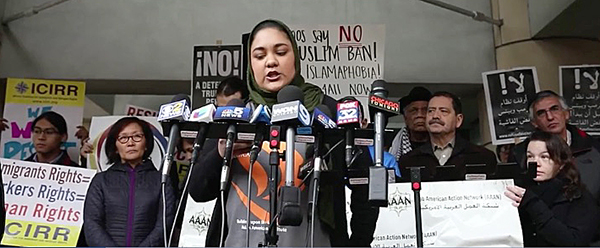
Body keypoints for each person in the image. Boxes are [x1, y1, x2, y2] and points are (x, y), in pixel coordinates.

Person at [188, 19, 376, 247]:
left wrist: (358, 243)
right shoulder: (234, 117)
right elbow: (198, 191)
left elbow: (365, 186)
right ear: (250, 65)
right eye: (259, 56)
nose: (271, 62)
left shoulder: (329, 112)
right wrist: (220, 154)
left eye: (281, 52)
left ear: (295, 57)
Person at [83, 117, 175, 247]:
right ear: (115, 146)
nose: (130, 143)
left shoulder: (162, 180)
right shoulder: (101, 180)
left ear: (147, 143)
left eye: (137, 136)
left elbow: (165, 224)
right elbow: (92, 223)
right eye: (123, 138)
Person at [505, 131, 599, 246]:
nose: (535, 162)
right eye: (530, 156)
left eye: (544, 156)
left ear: (561, 163)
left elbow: (573, 242)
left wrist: (533, 204)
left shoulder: (578, 197)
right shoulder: (518, 192)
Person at [511, 90, 600, 201]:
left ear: (566, 113)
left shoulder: (593, 147)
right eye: (541, 113)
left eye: (554, 109)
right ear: (534, 122)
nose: (550, 117)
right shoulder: (520, 153)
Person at [398, 91, 497, 178]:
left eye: (443, 111)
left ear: (458, 120)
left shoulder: (482, 157)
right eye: (430, 111)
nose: (435, 116)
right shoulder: (409, 161)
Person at [389, 86, 431, 162]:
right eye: (414, 110)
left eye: (425, 110)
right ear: (405, 117)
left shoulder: (442, 145)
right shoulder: (390, 144)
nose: (420, 115)